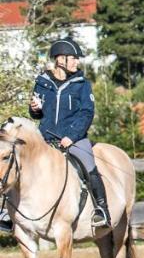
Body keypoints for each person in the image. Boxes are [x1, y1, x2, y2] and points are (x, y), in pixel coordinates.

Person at [25, 38, 112, 228]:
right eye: (73, 58)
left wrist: (71, 136)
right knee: (20, 164)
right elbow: (35, 113)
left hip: (74, 139)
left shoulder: (82, 84)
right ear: (60, 60)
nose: (77, 62)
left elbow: (87, 113)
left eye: (76, 59)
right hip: (44, 139)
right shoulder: (42, 82)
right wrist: (34, 109)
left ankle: (102, 210)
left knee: (88, 164)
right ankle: (9, 212)